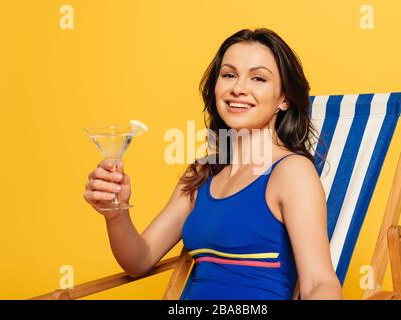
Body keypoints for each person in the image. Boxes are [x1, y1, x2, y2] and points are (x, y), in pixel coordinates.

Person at [83, 28, 343, 300]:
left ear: (284, 98)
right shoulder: (202, 173)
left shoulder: (291, 173)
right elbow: (139, 260)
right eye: (229, 75)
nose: (238, 89)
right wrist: (116, 214)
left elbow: (319, 283)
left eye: (258, 78)